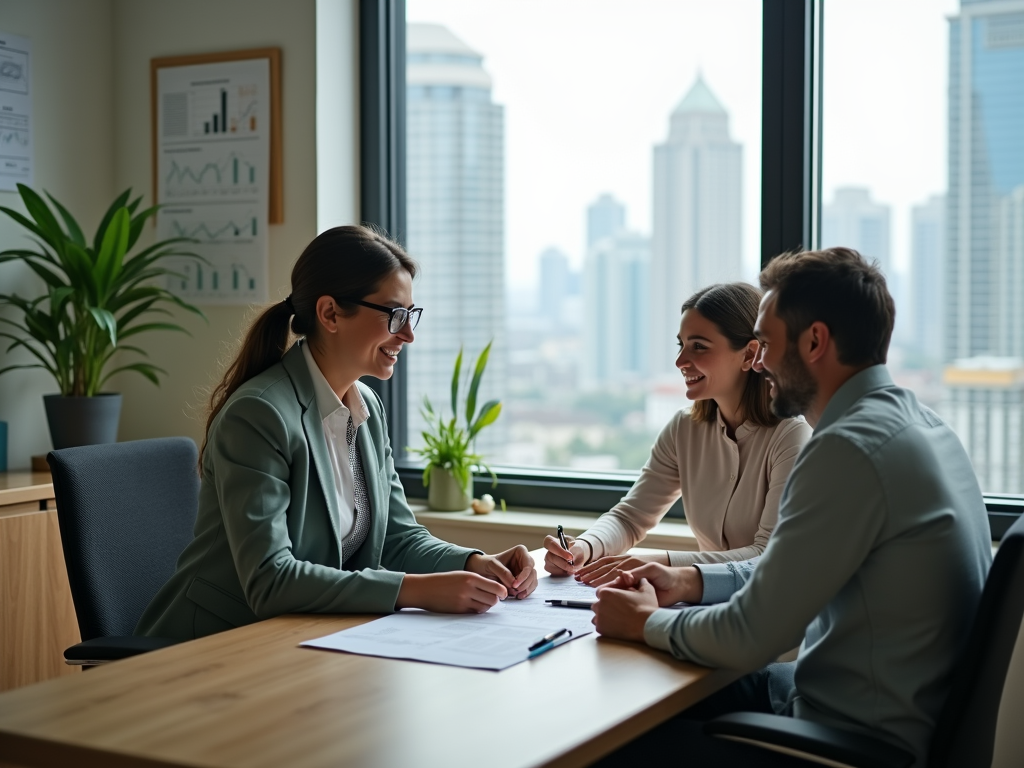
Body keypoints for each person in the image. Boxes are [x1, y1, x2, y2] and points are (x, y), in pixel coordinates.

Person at [590, 247, 992, 767]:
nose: (759, 361)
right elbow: (788, 566)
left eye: (766, 343)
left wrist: (644, 623)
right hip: (860, 708)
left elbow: (749, 636)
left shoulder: (848, 449)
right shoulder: (922, 427)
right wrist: (690, 581)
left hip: (850, 743)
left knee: (615, 744)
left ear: (815, 341)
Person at [136, 226, 536, 640]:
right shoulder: (259, 415)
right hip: (212, 644)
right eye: (394, 314)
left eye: (411, 314)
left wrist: (473, 562)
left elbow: (397, 537)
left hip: (301, 637)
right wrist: (413, 590)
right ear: (329, 314)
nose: (408, 334)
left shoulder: (367, 408)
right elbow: (270, 579)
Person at [543, 282, 811, 584]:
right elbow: (630, 517)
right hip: (699, 606)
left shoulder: (792, 437)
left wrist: (657, 561)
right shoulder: (684, 429)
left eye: (699, 346)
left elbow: (766, 554)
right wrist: (585, 547)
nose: (680, 361)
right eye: (680, 344)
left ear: (750, 354)